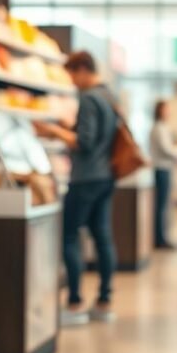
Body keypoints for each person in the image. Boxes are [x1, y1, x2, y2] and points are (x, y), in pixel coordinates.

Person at [34, 51, 118, 324]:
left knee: (69, 235)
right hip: (106, 175)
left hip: (86, 178)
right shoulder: (108, 95)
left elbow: (85, 142)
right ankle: (104, 300)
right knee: (102, 236)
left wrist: (54, 132)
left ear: (82, 69)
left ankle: (74, 302)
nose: (72, 81)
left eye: (72, 74)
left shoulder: (90, 97)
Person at [148, 100, 177, 249]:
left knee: (164, 205)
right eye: (166, 109)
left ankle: (162, 236)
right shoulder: (159, 128)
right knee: (161, 205)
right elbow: (166, 149)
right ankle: (160, 239)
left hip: (164, 168)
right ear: (159, 111)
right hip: (162, 169)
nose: (168, 112)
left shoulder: (162, 127)